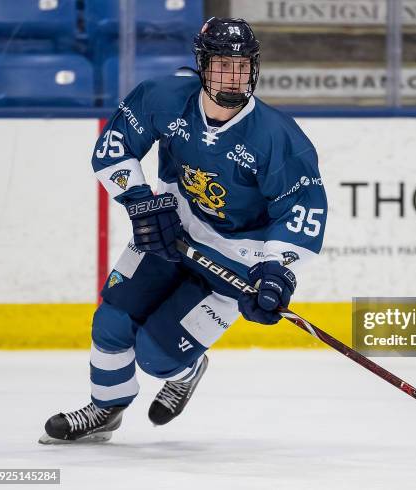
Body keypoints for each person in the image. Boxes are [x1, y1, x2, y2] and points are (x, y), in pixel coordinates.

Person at [39, 17, 327, 444]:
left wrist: (275, 271)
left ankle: (188, 370)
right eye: (222, 65)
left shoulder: (277, 136)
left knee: (157, 358)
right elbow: (114, 146)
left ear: (255, 68)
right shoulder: (165, 97)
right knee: (111, 325)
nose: (234, 76)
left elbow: (302, 210)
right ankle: (105, 408)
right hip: (170, 229)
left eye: (243, 66)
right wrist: (139, 200)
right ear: (201, 65)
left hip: (236, 257)